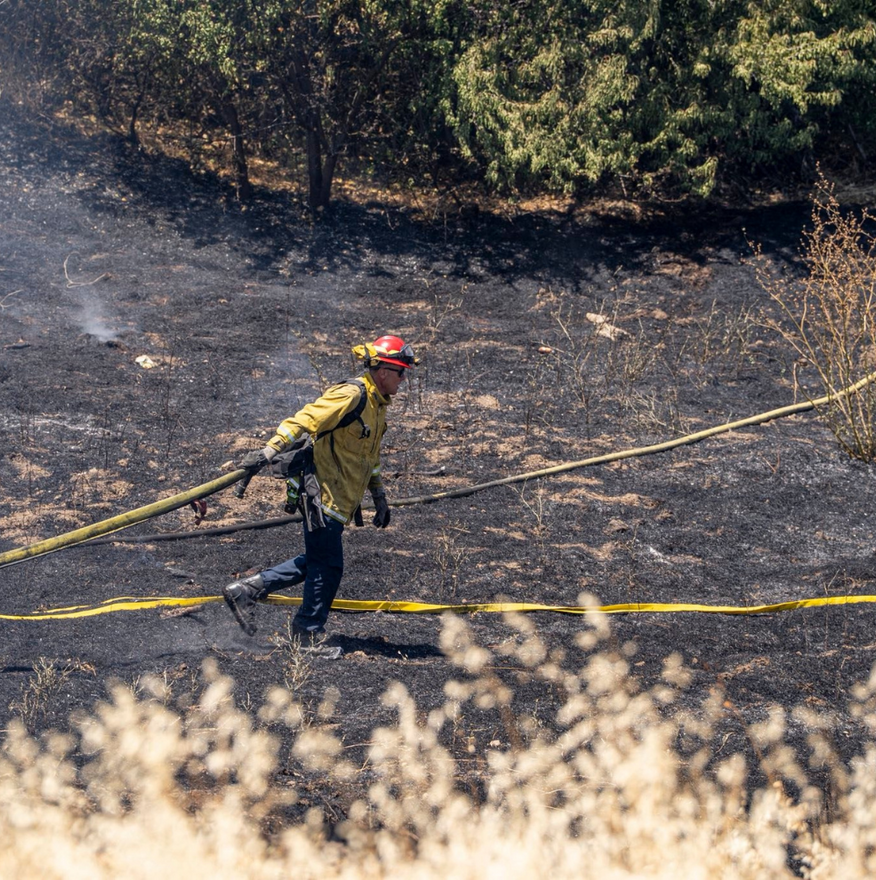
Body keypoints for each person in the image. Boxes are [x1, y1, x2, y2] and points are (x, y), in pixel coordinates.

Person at [222, 335, 418, 649]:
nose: (404, 379)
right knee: (328, 566)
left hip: (340, 498)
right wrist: (270, 450)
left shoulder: (378, 405)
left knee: (317, 559)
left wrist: (378, 495)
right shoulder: (351, 394)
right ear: (383, 371)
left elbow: (370, 455)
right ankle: (306, 635)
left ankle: (247, 589)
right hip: (321, 495)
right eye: (401, 372)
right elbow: (307, 418)